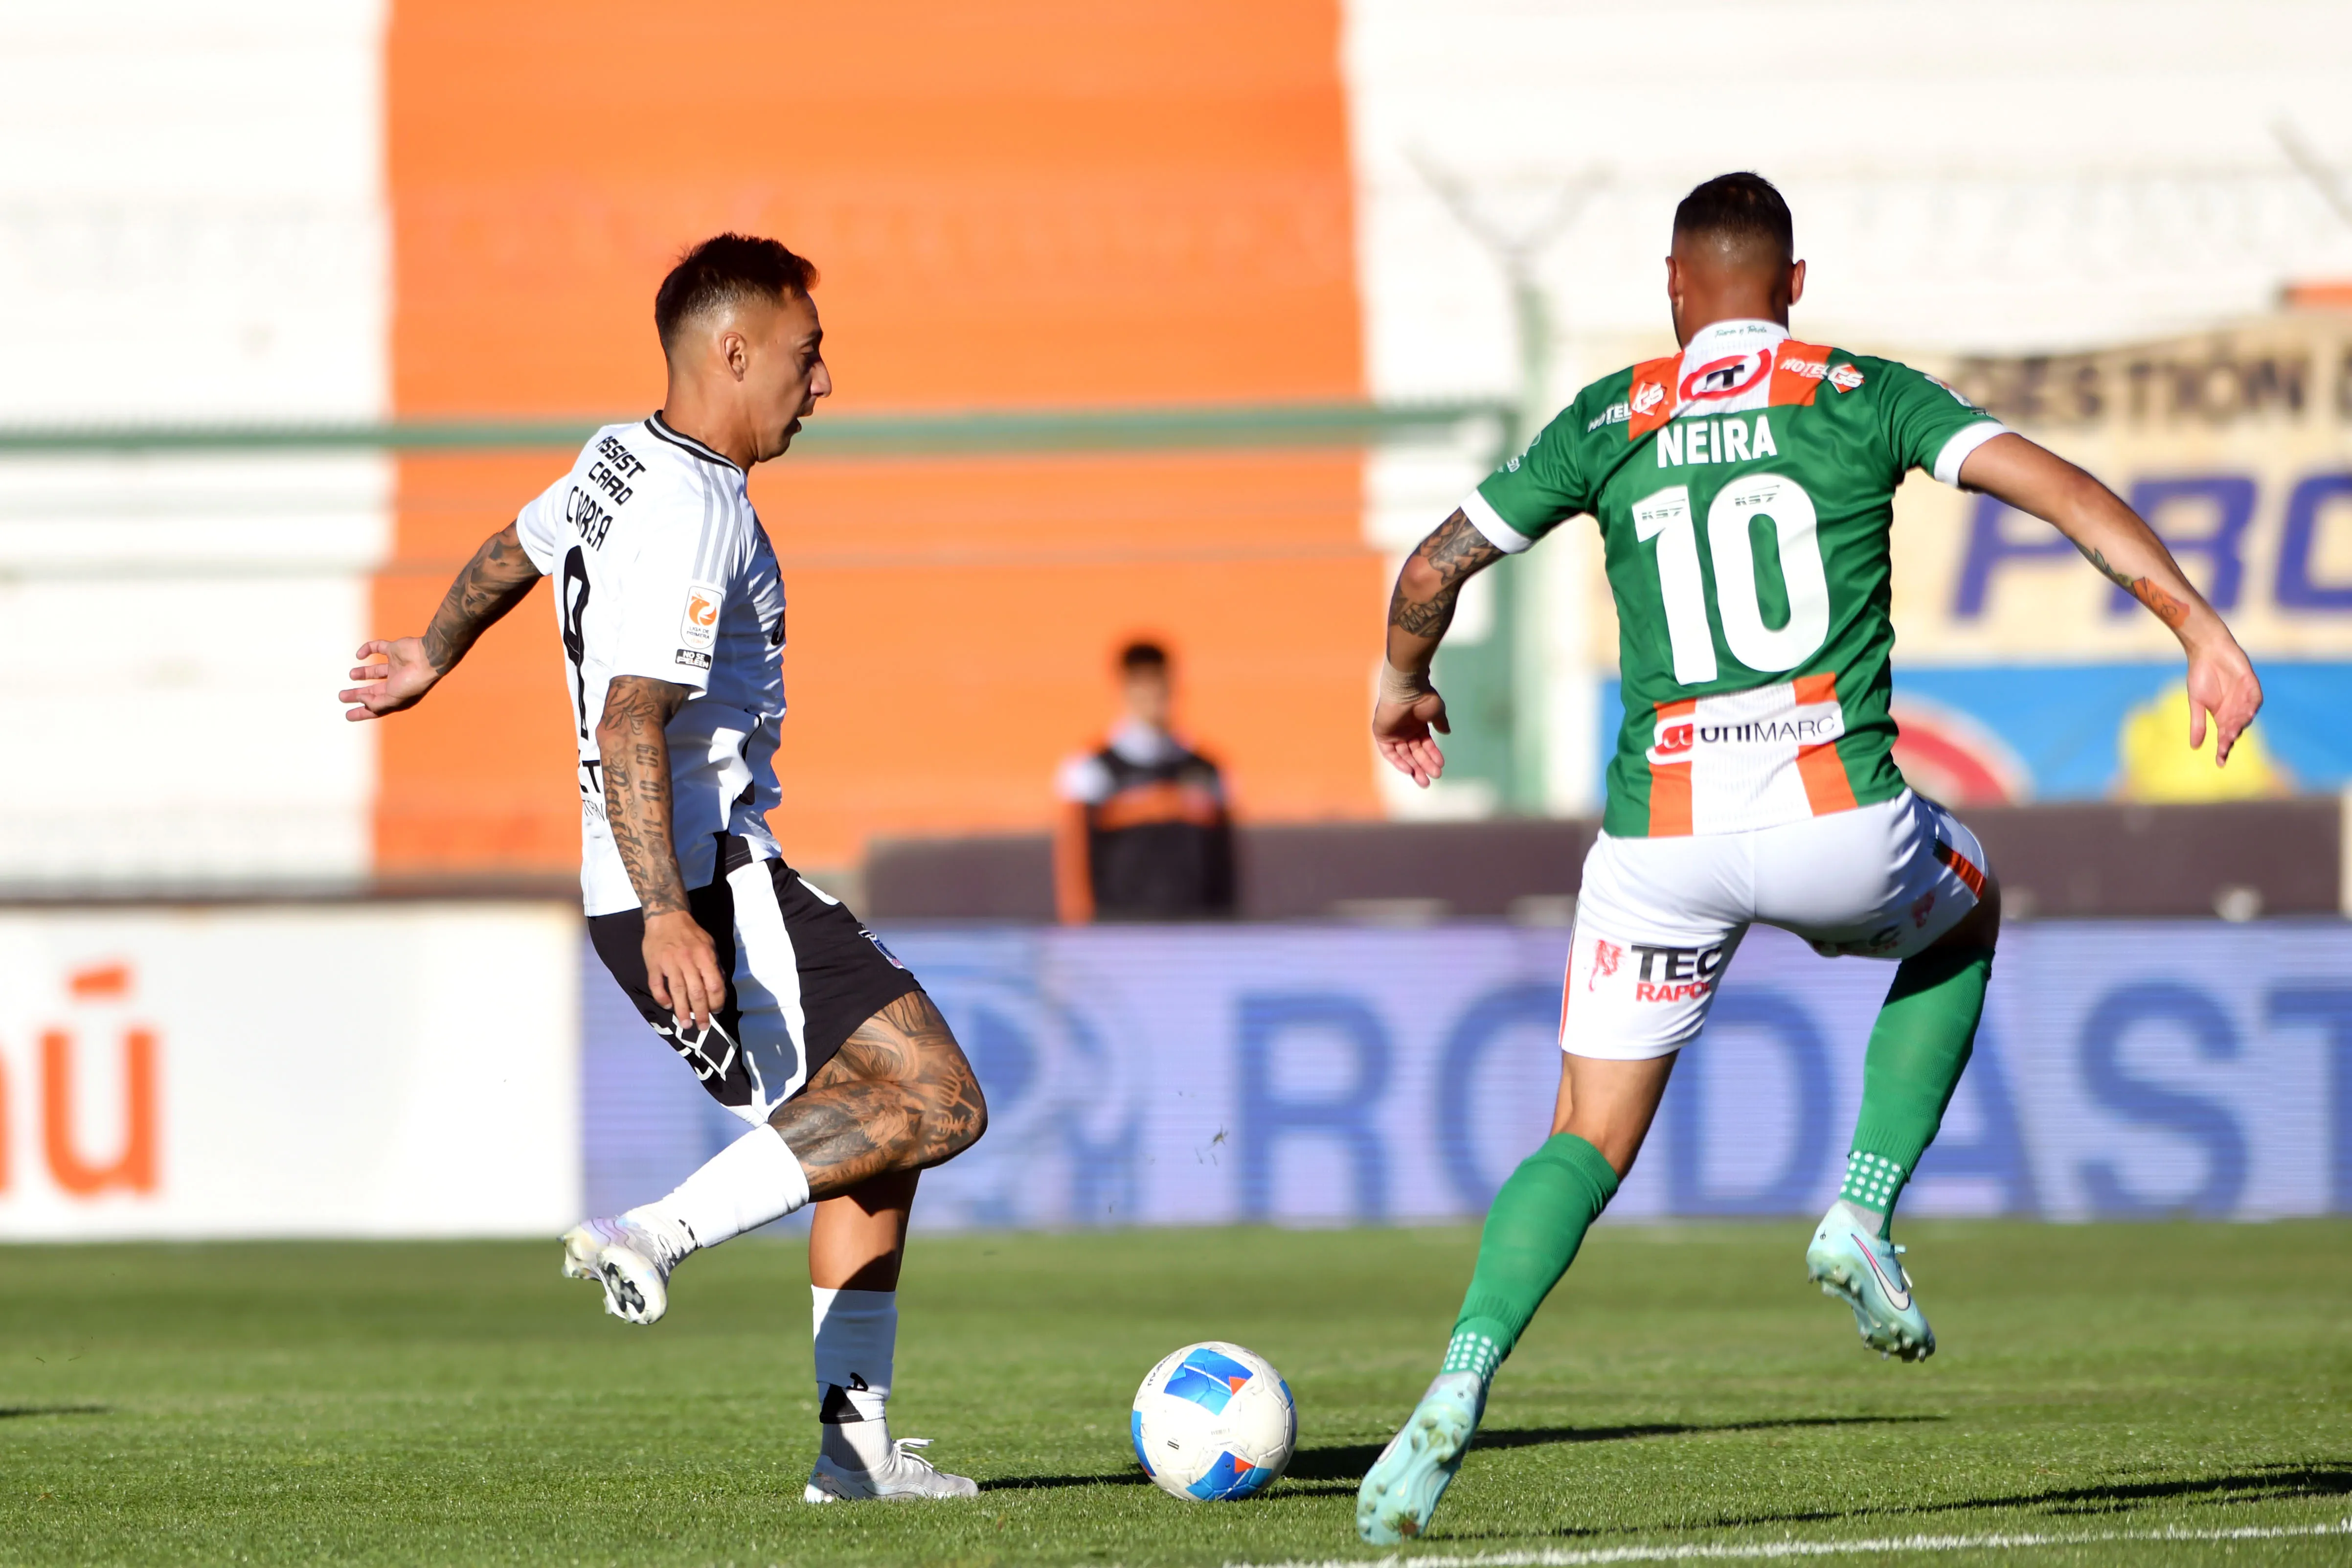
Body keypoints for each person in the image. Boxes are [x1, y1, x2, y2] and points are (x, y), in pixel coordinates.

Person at [1354, 173, 2263, 1545]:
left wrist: (1400, 683)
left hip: (1660, 842)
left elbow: (1431, 566)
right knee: (1968, 905)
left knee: (1585, 1137)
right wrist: (2195, 623)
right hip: (1842, 824)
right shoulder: (1862, 390)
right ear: (1790, 284)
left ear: (1676, 288)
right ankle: (1861, 1209)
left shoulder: (1611, 415)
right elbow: (2061, 487)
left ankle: (1461, 1374)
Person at [339, 233, 989, 1505]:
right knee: (938, 1098)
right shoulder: (697, 505)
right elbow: (633, 713)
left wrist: (431, 649)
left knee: (876, 1140)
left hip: (650, 886)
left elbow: (513, 549)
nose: (822, 383)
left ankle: (853, 1456)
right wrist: (673, 914)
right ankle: (656, 1231)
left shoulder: (613, 455)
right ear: (733, 350)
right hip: (701, 881)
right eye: (807, 356)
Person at [1052, 639, 1236, 922]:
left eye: (1157, 681)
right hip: (1125, 938)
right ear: (1124, 689)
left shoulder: (1207, 771)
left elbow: (1225, 864)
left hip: (1197, 935)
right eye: (1141, 683)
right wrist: (1083, 932)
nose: (1151, 694)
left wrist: (1228, 926)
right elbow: (1076, 866)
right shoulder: (1094, 771)